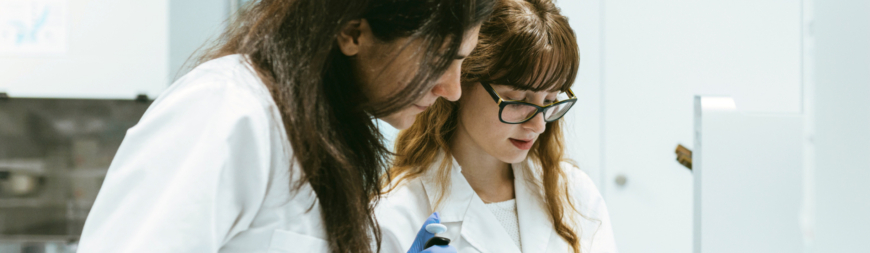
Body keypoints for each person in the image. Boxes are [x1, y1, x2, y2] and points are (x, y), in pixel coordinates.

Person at [77, 0, 493, 252]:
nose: (452, 88)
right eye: (440, 58)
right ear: (353, 32)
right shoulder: (227, 112)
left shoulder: (325, 131)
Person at [374, 0, 616, 252]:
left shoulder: (575, 194)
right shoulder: (395, 213)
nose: (538, 125)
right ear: (461, 80)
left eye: (550, 101)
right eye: (517, 100)